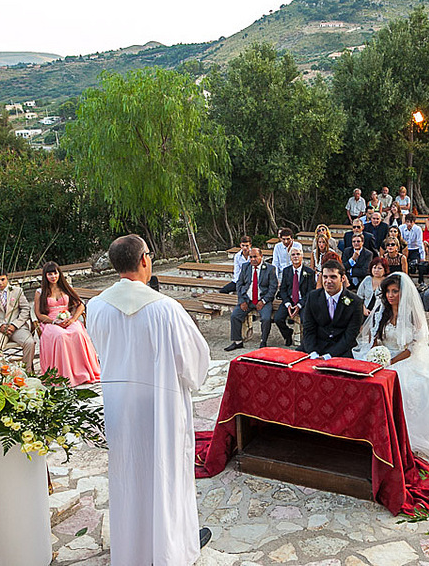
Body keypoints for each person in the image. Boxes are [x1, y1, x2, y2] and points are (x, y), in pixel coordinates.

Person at [86, 234, 212, 565]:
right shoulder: (166, 309)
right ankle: (170, 550)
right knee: (166, 476)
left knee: (130, 475)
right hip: (162, 408)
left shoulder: (96, 307)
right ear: (145, 260)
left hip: (120, 406)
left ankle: (133, 552)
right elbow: (195, 364)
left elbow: (103, 351)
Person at [358, 273, 429, 459]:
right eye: (388, 291)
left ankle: (412, 433)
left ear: (403, 293)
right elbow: (375, 340)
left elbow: (414, 347)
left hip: (406, 358)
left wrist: (390, 363)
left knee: (413, 384)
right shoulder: (382, 313)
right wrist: (374, 358)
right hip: (384, 357)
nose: (390, 295)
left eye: (395, 291)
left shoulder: (413, 316)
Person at [34, 262, 100, 386]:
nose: (53, 276)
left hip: (68, 319)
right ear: (45, 276)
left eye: (55, 273)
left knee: (78, 332)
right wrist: (54, 321)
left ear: (59, 274)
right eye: (50, 274)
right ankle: (65, 375)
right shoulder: (40, 292)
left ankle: (83, 371)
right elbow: (38, 314)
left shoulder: (65, 287)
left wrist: (73, 319)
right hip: (51, 322)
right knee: (60, 336)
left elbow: (80, 305)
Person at [299, 260, 364, 358]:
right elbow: (308, 329)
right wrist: (313, 353)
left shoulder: (355, 302)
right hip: (315, 346)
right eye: (325, 277)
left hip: (341, 349)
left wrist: (329, 355)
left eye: (333, 277)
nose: (328, 281)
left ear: (342, 278)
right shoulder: (312, 297)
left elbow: (350, 335)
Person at [0, 268, 37, 371]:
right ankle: (3, 374)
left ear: (7, 278)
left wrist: (15, 324)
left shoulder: (17, 291)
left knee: (30, 342)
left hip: (17, 327)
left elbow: (26, 308)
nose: (0, 283)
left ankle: (27, 372)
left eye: (2, 279)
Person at [225, 248, 278, 351]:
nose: (253, 259)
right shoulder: (246, 267)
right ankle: (237, 341)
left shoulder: (270, 269)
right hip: (247, 299)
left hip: (263, 299)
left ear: (261, 256)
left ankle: (263, 341)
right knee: (235, 315)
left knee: (266, 318)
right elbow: (239, 284)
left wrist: (263, 301)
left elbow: (273, 288)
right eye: (251, 257)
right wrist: (242, 301)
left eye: (255, 256)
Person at [273, 247, 315, 347]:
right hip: (289, 300)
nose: (295, 256)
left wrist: (300, 305)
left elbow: (310, 292)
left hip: (303, 301)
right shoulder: (286, 271)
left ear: (302, 256)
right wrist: (287, 303)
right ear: (290, 257)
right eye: (293, 255)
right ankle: (287, 334)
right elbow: (283, 289)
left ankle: (306, 343)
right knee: (278, 318)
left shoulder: (309, 272)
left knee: (306, 320)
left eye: (298, 254)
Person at [356, 257, 389, 322]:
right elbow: (359, 296)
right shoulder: (367, 279)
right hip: (365, 312)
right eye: (374, 268)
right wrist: (363, 309)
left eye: (379, 268)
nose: (376, 270)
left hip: (380, 313)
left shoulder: (387, 281)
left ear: (384, 270)